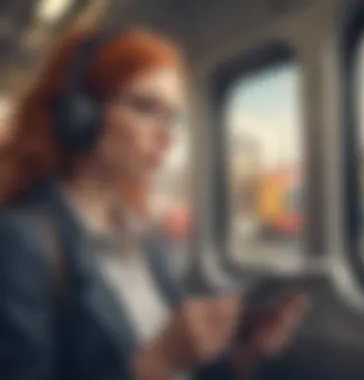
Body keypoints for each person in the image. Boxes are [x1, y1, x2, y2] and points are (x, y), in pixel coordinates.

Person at [0, 24, 308, 380]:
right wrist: (158, 364)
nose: (167, 136)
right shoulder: (21, 242)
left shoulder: (143, 236)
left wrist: (242, 352)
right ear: (79, 114)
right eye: (146, 107)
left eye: (172, 116)